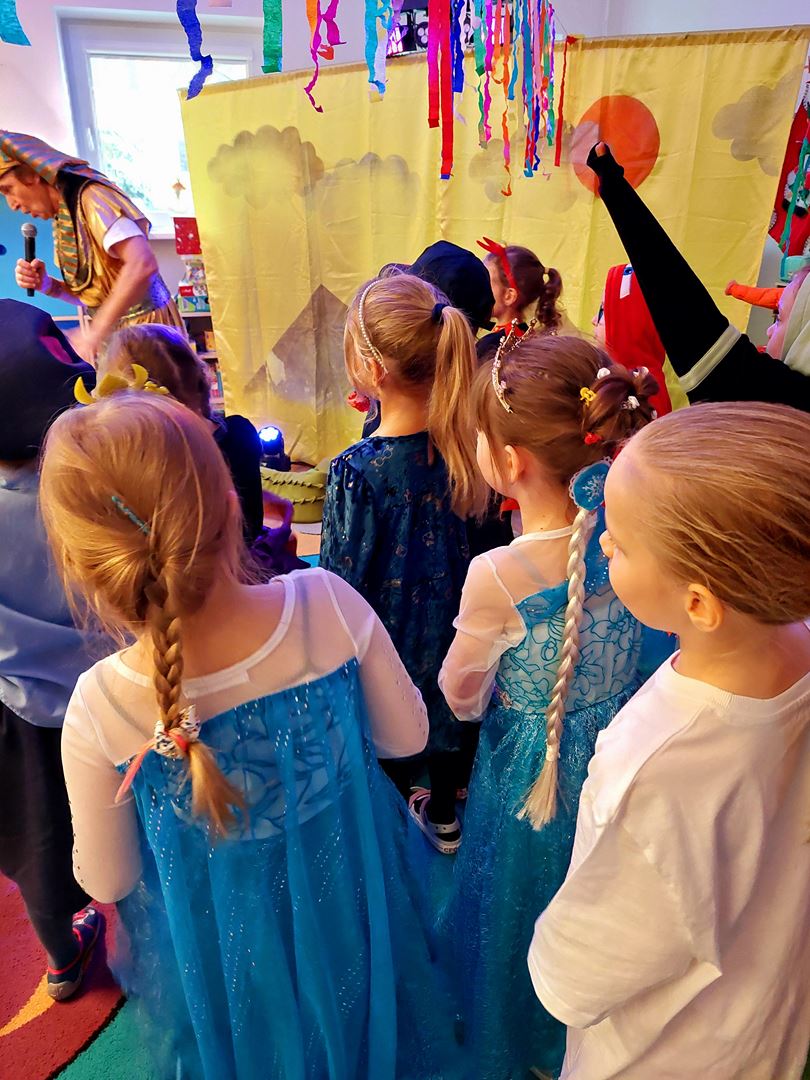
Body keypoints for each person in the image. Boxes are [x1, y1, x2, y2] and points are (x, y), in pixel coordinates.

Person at [43, 391, 465, 1079]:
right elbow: (407, 737)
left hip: (228, 964)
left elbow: (108, 877)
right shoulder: (325, 604)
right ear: (230, 502)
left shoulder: (98, 705)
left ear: (84, 566)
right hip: (352, 915)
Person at [529, 402, 810, 1079]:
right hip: (768, 1032)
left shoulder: (657, 761)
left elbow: (577, 977)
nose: (602, 545)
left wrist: (547, 962)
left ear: (699, 605)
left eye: (622, 544)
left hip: (664, 1057)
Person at [439, 330, 657, 1078]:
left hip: (536, 768)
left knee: (519, 899)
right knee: (596, 886)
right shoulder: (636, 533)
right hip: (622, 748)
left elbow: (461, 696)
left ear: (510, 462)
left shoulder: (497, 573)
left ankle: (528, 1028)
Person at [321, 273, 486, 853]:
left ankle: (393, 828)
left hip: (385, 644)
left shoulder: (355, 469)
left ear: (372, 369)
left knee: (389, 737)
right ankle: (443, 812)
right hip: (455, 630)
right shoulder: (465, 446)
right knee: (446, 715)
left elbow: (338, 584)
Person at [0, 299, 102, 1000]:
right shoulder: (93, 492)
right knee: (132, 828)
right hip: (113, 697)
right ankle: (153, 936)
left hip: (19, 716)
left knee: (38, 845)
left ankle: (63, 960)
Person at [587, 141, 810, 406]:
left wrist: (613, 186)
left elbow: (683, 308)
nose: (769, 331)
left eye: (780, 317)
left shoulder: (784, 399)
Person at [0, 131, 182, 362]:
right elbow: (96, 298)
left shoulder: (93, 198)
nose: (12, 205)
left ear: (31, 174)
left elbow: (142, 265)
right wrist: (49, 286)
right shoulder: (66, 215)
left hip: (147, 332)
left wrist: (94, 333)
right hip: (120, 337)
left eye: (8, 189)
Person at [593, 262, 688, 415]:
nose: (593, 320)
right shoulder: (618, 377)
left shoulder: (643, 395)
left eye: (603, 310)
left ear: (627, 319)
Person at [478, 237, 563, 339]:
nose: (477, 289)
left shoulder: (496, 342)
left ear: (509, 296)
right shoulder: (525, 335)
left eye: (485, 282)